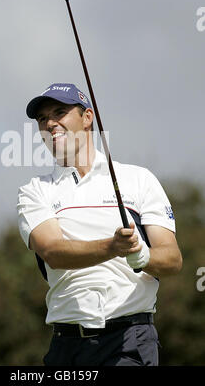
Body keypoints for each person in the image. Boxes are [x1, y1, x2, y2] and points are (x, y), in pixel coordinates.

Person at [17, 82, 182, 366]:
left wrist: (141, 255)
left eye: (60, 112)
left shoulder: (138, 179)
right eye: (43, 119)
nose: (50, 123)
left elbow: (172, 259)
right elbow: (54, 253)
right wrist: (114, 246)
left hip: (129, 340)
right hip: (66, 346)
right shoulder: (35, 190)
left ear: (87, 117)